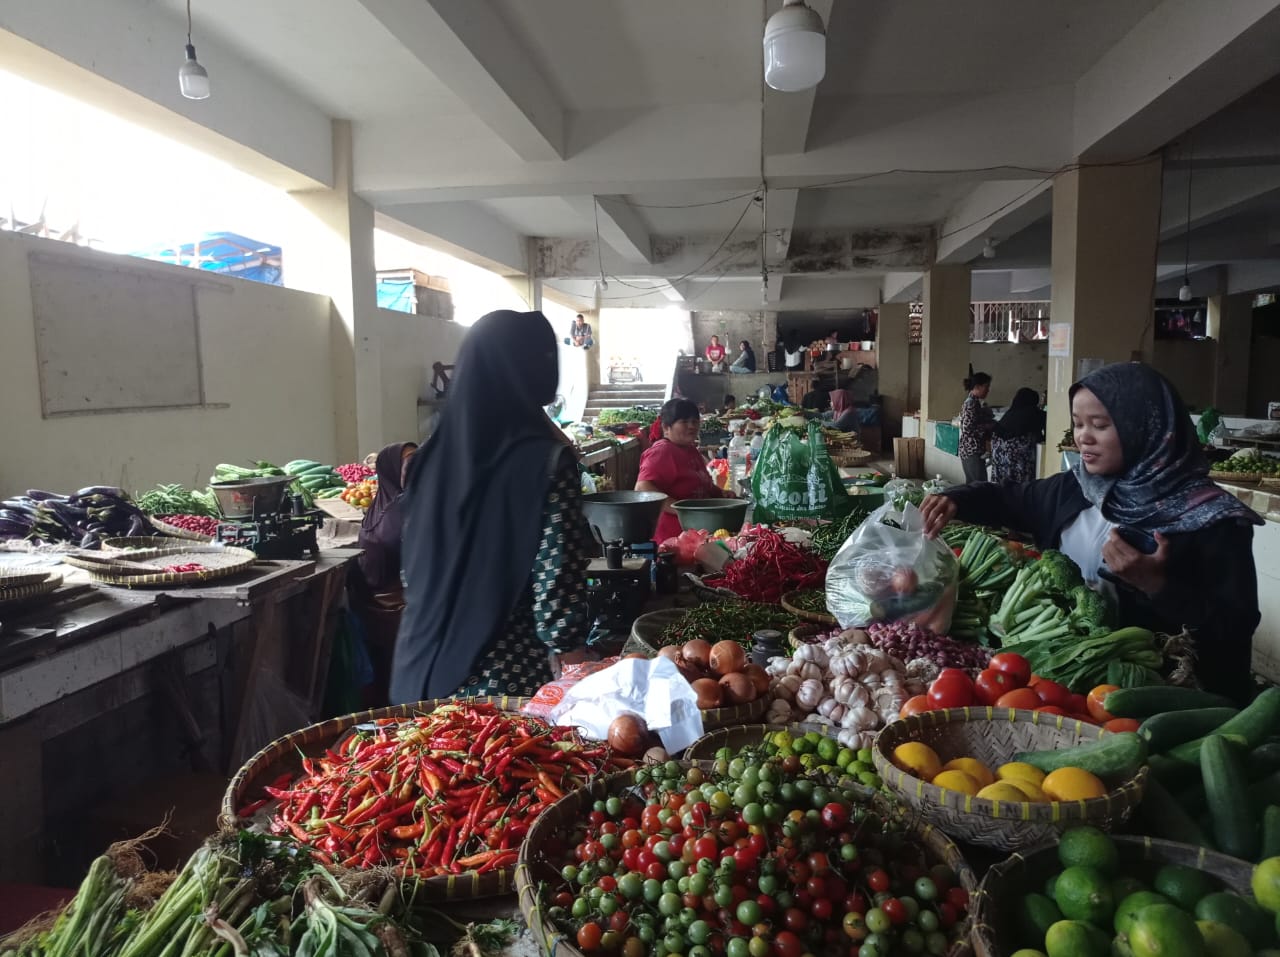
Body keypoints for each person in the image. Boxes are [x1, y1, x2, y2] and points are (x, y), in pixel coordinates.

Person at [920, 362, 1262, 702]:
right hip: (1072, 687)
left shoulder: (1212, 519)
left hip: (1163, 701)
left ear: (1144, 427)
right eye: (1078, 423)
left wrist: (1156, 585)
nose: (1084, 436)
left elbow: (1233, 628)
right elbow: (1007, 497)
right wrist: (954, 499)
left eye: (1100, 425)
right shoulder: (1077, 486)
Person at [391, 310, 593, 702]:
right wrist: (581, 685)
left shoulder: (429, 460)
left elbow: (409, 576)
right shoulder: (547, 465)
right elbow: (557, 598)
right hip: (500, 695)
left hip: (413, 682)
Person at [348, 441, 418, 704]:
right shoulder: (395, 508)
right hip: (386, 610)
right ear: (390, 469)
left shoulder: (390, 506)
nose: (412, 468)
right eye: (406, 463)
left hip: (385, 609)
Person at [636, 398, 735, 543]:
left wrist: (720, 493)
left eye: (695, 421)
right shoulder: (663, 451)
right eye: (684, 422)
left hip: (698, 535)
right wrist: (682, 511)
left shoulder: (690, 449)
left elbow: (702, 484)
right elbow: (642, 489)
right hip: (673, 540)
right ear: (666, 427)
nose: (691, 426)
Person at [990, 387, 1045, 484]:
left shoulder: (1010, 413)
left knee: (1002, 488)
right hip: (1016, 460)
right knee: (1017, 489)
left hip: (999, 455)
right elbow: (1041, 433)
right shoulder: (1033, 413)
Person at [958, 371, 995, 483]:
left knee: (973, 485)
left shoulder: (974, 402)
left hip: (969, 449)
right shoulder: (971, 403)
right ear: (977, 387)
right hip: (972, 450)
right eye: (986, 387)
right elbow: (968, 428)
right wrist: (988, 426)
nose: (988, 390)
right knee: (979, 484)